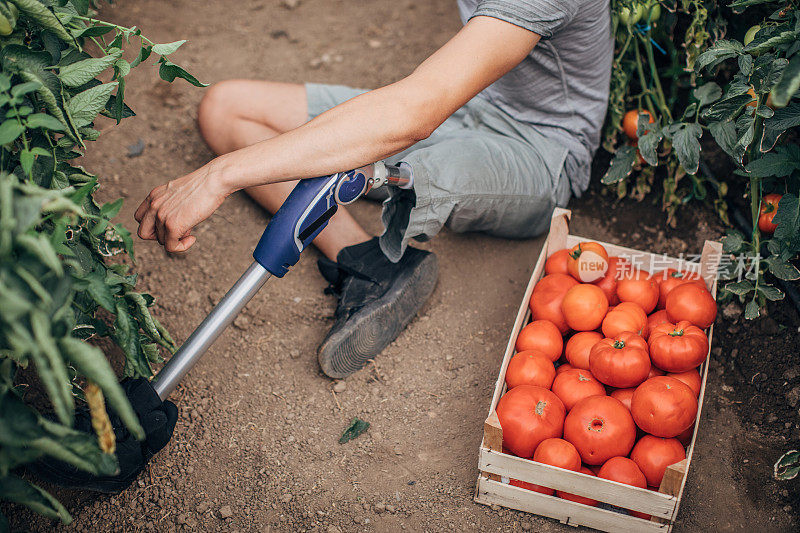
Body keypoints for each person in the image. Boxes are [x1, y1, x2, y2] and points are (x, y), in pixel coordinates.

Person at [135, 0, 613, 380]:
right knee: (226, 108)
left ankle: (367, 183)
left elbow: (414, 113)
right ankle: (367, 259)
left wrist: (218, 175)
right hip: (464, 101)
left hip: (538, 153)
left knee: (388, 149)